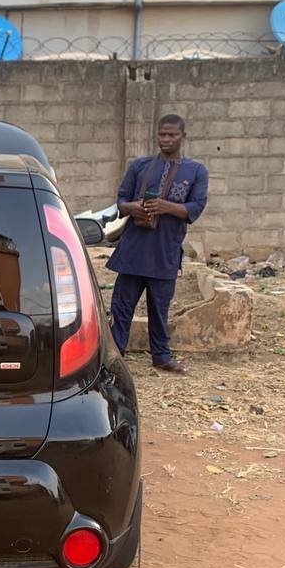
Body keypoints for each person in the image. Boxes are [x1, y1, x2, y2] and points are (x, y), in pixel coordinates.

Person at [107, 114, 209, 376]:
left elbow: (195, 207)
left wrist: (165, 207)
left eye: (172, 135)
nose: (166, 139)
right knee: (121, 308)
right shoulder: (140, 165)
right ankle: (114, 357)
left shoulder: (196, 171)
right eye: (162, 134)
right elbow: (121, 201)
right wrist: (133, 207)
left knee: (159, 309)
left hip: (165, 252)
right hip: (133, 250)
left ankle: (161, 357)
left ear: (183, 137)